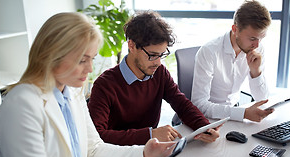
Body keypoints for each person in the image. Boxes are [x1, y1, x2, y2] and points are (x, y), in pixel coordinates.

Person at [0, 12, 176, 157]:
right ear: (52, 55)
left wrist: (144, 154)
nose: (90, 69)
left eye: (92, 59)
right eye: (82, 60)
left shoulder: (71, 92)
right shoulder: (20, 106)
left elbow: (95, 149)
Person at [88, 10, 220, 146]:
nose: (157, 62)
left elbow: (181, 104)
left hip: (152, 149)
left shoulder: (159, 72)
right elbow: (98, 136)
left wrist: (204, 127)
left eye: (161, 55)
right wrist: (150, 135)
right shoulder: (104, 85)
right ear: (132, 46)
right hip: (119, 155)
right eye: (152, 55)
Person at [191, 0, 274, 123]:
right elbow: (199, 105)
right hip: (209, 119)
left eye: (261, 38)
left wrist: (256, 72)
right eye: (252, 38)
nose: (256, 45)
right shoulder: (209, 52)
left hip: (235, 116)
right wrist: (243, 113)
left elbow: (262, 100)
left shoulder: (257, 49)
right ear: (235, 29)